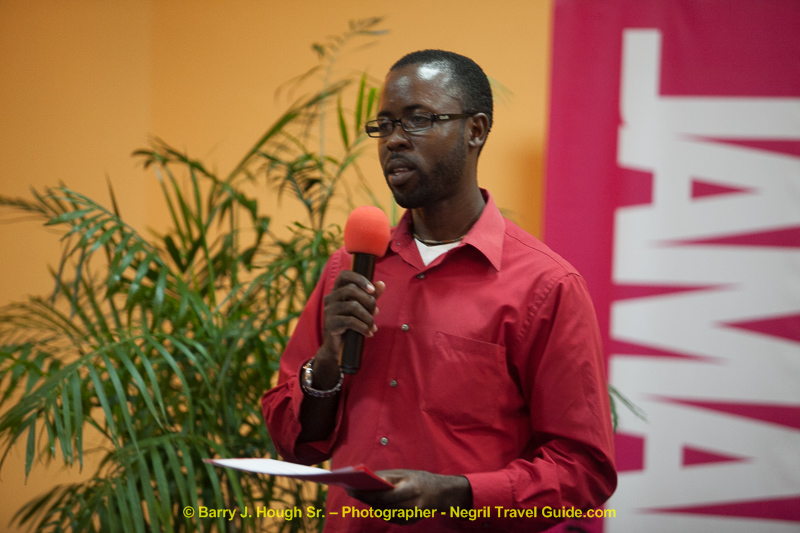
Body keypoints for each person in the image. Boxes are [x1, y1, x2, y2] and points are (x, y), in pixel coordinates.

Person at [262, 49, 617, 532]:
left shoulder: (546, 286)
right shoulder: (351, 267)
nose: (394, 140)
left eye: (419, 119)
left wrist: (456, 493)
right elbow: (293, 443)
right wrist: (326, 361)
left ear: (476, 130)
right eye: (385, 124)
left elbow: (583, 472)